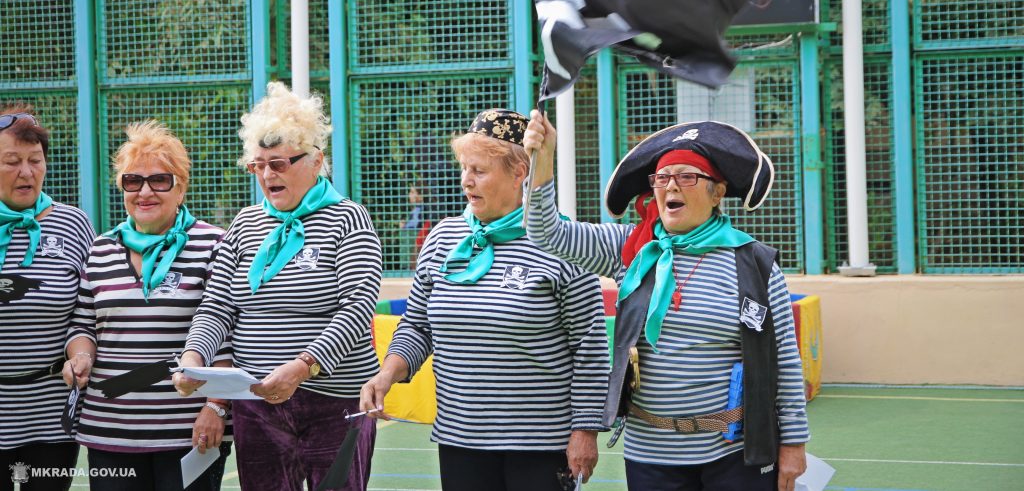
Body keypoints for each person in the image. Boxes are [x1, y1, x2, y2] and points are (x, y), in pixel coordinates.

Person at [523, 112, 809, 491]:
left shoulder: (754, 262)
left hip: (734, 449)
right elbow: (545, 234)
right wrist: (542, 160)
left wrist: (793, 443)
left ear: (717, 191)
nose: (671, 185)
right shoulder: (628, 247)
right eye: (662, 177)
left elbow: (784, 359)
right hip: (651, 452)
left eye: (687, 176)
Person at [360, 109, 610, 491]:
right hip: (460, 438)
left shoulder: (563, 244)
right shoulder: (443, 238)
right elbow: (417, 325)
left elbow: (589, 346)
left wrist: (585, 431)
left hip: (541, 444)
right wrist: (388, 373)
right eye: (464, 168)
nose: (466, 181)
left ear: (518, 174)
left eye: (479, 170)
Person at [174, 82, 382, 491]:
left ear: (317, 161)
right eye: (258, 164)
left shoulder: (349, 218)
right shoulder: (245, 223)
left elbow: (358, 307)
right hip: (258, 404)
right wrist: (193, 357)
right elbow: (218, 306)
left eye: (280, 164)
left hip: (334, 402)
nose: (267, 174)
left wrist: (304, 366)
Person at [62, 121, 231, 489]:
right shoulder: (101, 249)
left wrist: (216, 406)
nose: (145, 192)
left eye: (160, 180)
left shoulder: (214, 245)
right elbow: (82, 325)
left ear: (181, 187)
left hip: (191, 431)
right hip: (110, 430)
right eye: (133, 181)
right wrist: (81, 357)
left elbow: (229, 333)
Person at [0, 105, 95, 491]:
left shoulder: (73, 223)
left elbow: (87, 309)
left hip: (53, 410)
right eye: (11, 162)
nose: (26, 172)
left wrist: (81, 354)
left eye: (35, 160)